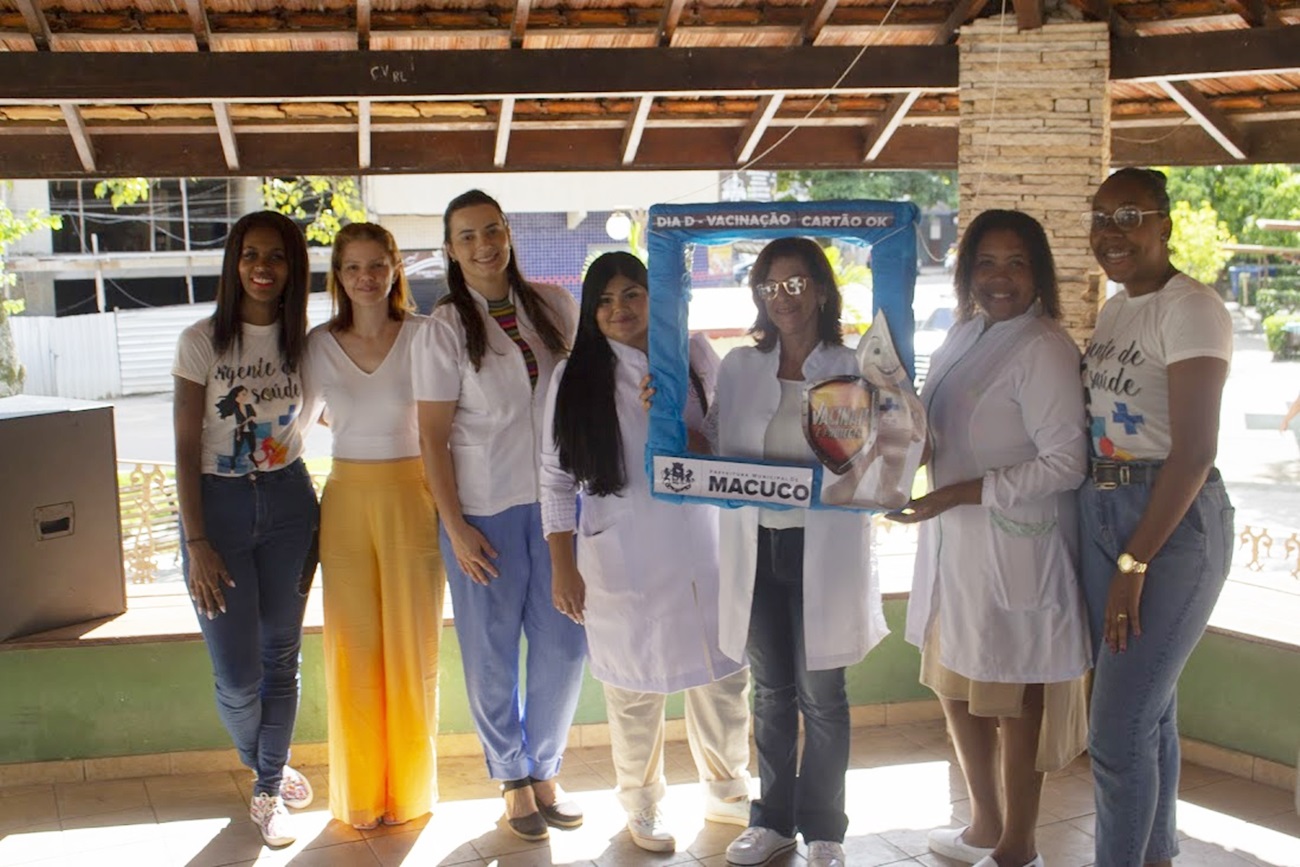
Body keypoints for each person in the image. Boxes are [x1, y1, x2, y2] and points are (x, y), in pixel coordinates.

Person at [888, 210, 1091, 867]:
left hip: (1014, 546)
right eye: (986, 263)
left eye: (1016, 263)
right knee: (955, 682)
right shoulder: (964, 334)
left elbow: (1067, 463)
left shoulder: (1045, 347)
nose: (1000, 277)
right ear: (966, 271)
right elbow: (935, 427)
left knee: (1013, 692)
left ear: (1038, 274)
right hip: (955, 547)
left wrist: (958, 493)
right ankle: (983, 823)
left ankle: (1018, 846)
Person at [540, 252, 753, 853]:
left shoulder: (694, 356)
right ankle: (642, 802)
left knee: (723, 676)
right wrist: (562, 564)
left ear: (655, 297)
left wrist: (682, 426)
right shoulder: (573, 378)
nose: (619, 310)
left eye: (632, 294)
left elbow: (727, 443)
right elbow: (554, 478)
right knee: (634, 689)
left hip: (701, 542)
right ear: (590, 310)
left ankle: (729, 789)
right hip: (621, 548)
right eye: (605, 300)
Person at [708, 237, 889, 867]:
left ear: (820, 288)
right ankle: (773, 822)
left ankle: (826, 830)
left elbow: (873, 460)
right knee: (771, 693)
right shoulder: (739, 366)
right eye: (769, 287)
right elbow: (713, 442)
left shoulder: (852, 366)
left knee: (822, 695)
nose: (781, 298)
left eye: (794, 284)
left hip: (822, 549)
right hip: (755, 548)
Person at [413, 189, 587, 842]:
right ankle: (513, 777)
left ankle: (545, 766)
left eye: (491, 231)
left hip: (559, 506)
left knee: (565, 643)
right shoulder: (442, 329)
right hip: (484, 513)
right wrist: (456, 527)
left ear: (508, 233)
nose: (483, 245)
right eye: (467, 236)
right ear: (450, 249)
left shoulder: (555, 305)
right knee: (490, 653)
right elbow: (432, 438)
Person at [1079, 167, 1234, 867]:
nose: (1111, 232)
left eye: (1129, 216)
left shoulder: (1190, 307)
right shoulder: (1117, 310)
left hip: (1170, 521)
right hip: (1108, 506)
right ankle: (1156, 856)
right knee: (1150, 708)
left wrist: (1133, 561)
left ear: (1165, 225)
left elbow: (1195, 451)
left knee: (1116, 731)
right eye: (1101, 217)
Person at [172, 211, 319, 848]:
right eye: (251, 254)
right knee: (236, 675)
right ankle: (268, 763)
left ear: (292, 269)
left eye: (277, 256)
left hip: (289, 503)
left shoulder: (306, 344)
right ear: (234, 263)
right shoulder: (201, 341)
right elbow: (184, 448)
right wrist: (196, 541)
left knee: (280, 658)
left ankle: (267, 788)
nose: (263, 267)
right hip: (218, 509)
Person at [306, 223, 444, 831]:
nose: (366, 278)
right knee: (353, 650)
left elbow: (448, 423)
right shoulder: (317, 345)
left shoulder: (425, 335)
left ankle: (409, 792)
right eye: (353, 267)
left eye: (376, 265)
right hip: (344, 502)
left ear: (395, 268)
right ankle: (360, 795)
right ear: (338, 275)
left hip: (413, 496)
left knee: (414, 648)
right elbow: (298, 420)